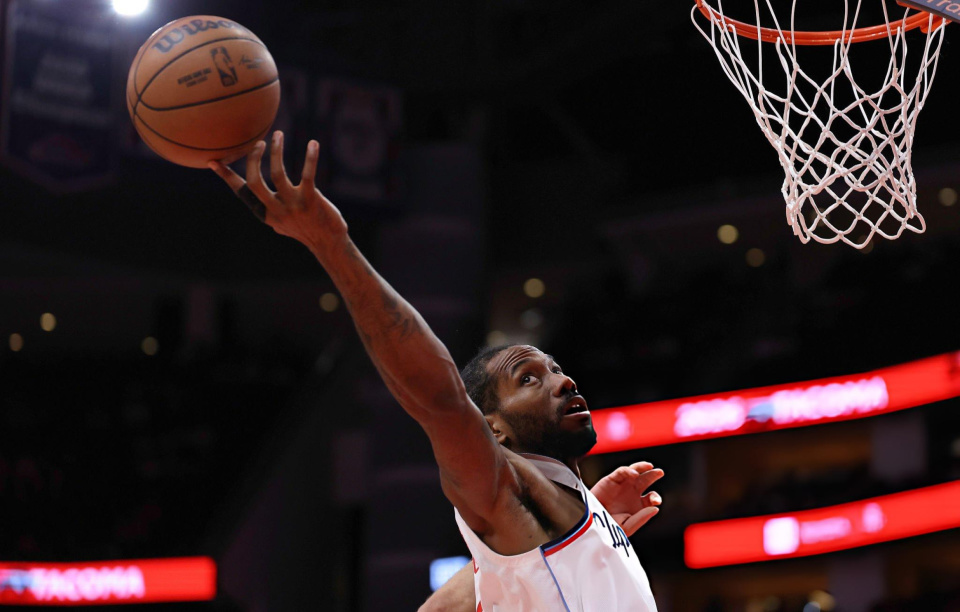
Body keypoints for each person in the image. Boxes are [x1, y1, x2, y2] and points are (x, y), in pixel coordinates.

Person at [210, 132, 663, 611]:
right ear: (493, 429)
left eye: (554, 369)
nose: (563, 381)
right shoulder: (505, 488)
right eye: (527, 379)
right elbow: (438, 397)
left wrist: (588, 529)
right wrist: (331, 244)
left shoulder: (542, 521)